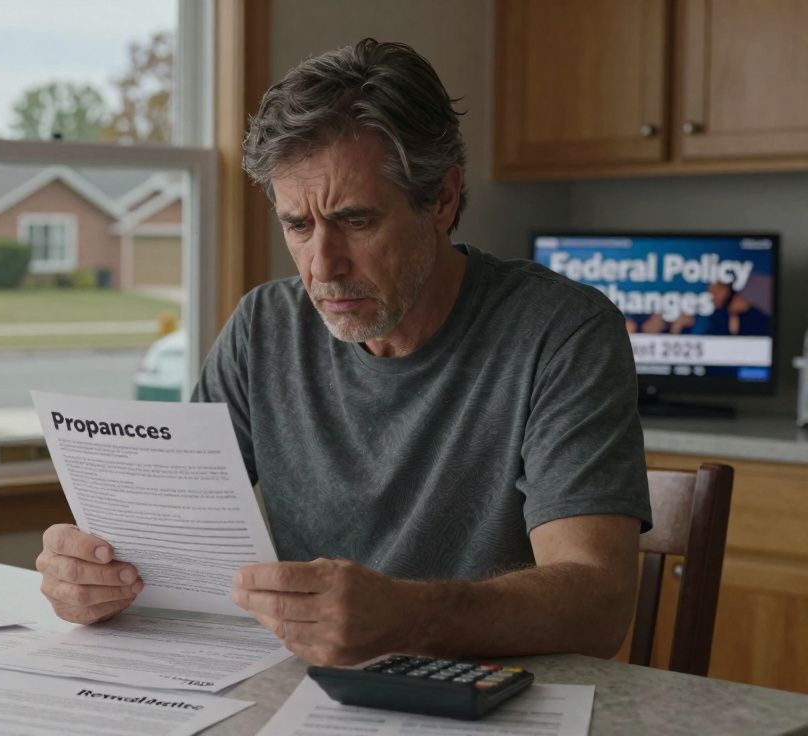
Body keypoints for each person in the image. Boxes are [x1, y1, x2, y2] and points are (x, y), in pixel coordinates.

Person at [35, 38, 652, 666]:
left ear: (441, 198)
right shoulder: (262, 329)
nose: (321, 267)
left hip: (501, 701)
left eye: (356, 221)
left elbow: (598, 604)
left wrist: (407, 618)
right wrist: (93, 575)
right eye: (297, 226)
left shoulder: (561, 331)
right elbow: (164, 545)